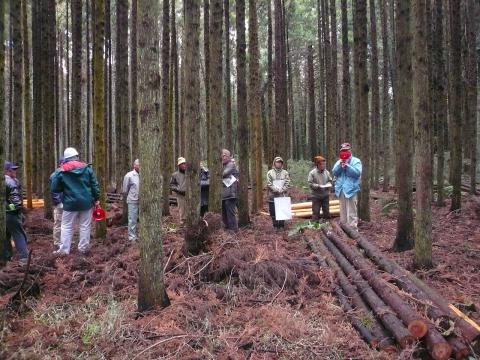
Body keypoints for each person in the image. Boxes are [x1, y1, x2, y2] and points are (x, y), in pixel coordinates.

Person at [50, 147, 100, 255]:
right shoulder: (87, 169)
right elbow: (94, 185)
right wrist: (96, 199)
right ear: (76, 156)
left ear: (66, 158)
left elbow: (54, 188)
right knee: (85, 226)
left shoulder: (61, 171)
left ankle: (64, 250)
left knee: (66, 226)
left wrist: (65, 190)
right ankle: (83, 249)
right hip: (86, 203)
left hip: (70, 203)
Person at [331, 143, 362, 229]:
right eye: (343, 151)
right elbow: (334, 172)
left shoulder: (356, 161)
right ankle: (344, 230)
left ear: (350, 150)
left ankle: (353, 232)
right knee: (343, 212)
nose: (345, 152)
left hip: (351, 190)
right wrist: (340, 166)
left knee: (351, 213)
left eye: (346, 150)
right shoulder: (339, 161)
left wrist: (347, 166)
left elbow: (357, 173)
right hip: (341, 189)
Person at [4, 161, 29, 264]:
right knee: (18, 234)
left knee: (5, 235)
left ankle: (7, 257)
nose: (15, 171)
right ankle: (24, 258)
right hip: (11, 214)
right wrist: (17, 210)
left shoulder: (9, 181)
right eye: (12, 169)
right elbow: (15, 201)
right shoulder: (11, 182)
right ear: (7, 171)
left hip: (5, 214)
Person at [266, 156, 291, 229]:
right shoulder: (270, 173)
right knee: (273, 212)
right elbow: (269, 183)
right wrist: (275, 189)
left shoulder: (285, 173)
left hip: (282, 195)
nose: (279, 164)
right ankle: (275, 225)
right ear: (274, 163)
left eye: (280, 162)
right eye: (277, 162)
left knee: (282, 210)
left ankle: (281, 225)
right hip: (272, 195)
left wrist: (283, 189)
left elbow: (287, 183)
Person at [308, 155, 333, 223]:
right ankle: (315, 225)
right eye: (322, 164)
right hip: (316, 196)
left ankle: (326, 224)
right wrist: (317, 186)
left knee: (326, 212)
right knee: (315, 212)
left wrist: (329, 184)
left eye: (324, 164)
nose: (324, 166)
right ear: (318, 165)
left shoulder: (327, 172)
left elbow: (330, 180)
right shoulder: (312, 173)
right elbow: (310, 183)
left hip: (325, 195)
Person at [49, 157, 65, 249]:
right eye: (63, 163)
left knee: (65, 223)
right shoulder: (55, 175)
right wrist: (58, 202)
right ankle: (57, 243)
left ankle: (63, 241)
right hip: (59, 203)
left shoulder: (65, 174)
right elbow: (54, 190)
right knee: (58, 223)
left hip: (65, 202)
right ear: (60, 164)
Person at [221, 149, 239, 231]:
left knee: (230, 213)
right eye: (222, 155)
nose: (223, 157)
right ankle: (227, 228)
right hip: (223, 194)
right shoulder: (222, 165)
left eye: (225, 155)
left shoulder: (231, 164)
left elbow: (224, 174)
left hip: (231, 193)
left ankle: (233, 230)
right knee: (224, 212)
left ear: (228, 156)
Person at [122, 159, 140, 242]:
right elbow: (125, 189)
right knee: (132, 219)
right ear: (134, 165)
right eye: (138, 164)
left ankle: (140, 235)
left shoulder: (145, 175)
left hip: (143, 201)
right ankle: (132, 237)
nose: (139, 166)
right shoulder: (129, 175)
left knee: (142, 219)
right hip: (133, 200)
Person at [170, 157, 187, 223]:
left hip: (190, 195)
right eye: (182, 164)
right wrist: (178, 189)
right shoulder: (175, 175)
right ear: (179, 165)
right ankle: (183, 222)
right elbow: (171, 185)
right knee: (182, 210)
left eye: (184, 163)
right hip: (180, 195)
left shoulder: (190, 174)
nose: (184, 165)